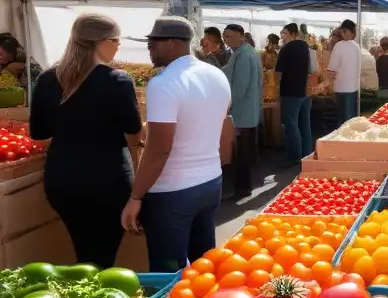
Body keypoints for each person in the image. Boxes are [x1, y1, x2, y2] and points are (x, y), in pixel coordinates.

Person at [120, 17, 231, 272]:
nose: (149, 49)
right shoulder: (216, 75)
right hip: (210, 182)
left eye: (153, 43)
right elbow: (221, 124)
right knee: (204, 266)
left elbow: (159, 149)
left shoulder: (163, 83)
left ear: (171, 44)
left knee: (168, 272)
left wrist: (136, 196)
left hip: (172, 192)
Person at [29, 14, 142, 268]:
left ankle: (87, 294)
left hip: (62, 179)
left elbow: (38, 132)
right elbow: (132, 127)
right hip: (109, 179)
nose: (117, 46)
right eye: (116, 40)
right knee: (103, 254)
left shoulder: (48, 79)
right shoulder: (117, 80)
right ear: (99, 42)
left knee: (84, 249)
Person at [221, 24, 262, 198]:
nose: (226, 40)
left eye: (229, 36)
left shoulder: (244, 55)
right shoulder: (246, 52)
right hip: (248, 110)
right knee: (244, 152)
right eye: (225, 37)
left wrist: (228, 105)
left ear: (241, 36)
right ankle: (243, 187)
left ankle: (242, 189)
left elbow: (240, 87)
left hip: (242, 112)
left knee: (242, 153)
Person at [275, 23, 315, 165]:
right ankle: (307, 154)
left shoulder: (285, 49)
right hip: (306, 92)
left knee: (291, 125)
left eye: (284, 33)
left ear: (293, 34)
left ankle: (294, 157)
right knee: (305, 124)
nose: (282, 36)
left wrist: (276, 87)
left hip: (290, 92)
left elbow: (278, 73)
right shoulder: (307, 48)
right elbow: (312, 70)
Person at [326, 19, 360, 126]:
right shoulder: (356, 46)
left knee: (343, 120)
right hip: (354, 87)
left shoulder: (339, 46)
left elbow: (332, 68)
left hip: (341, 87)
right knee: (351, 118)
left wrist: (327, 82)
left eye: (344, 31)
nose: (342, 33)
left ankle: (342, 141)